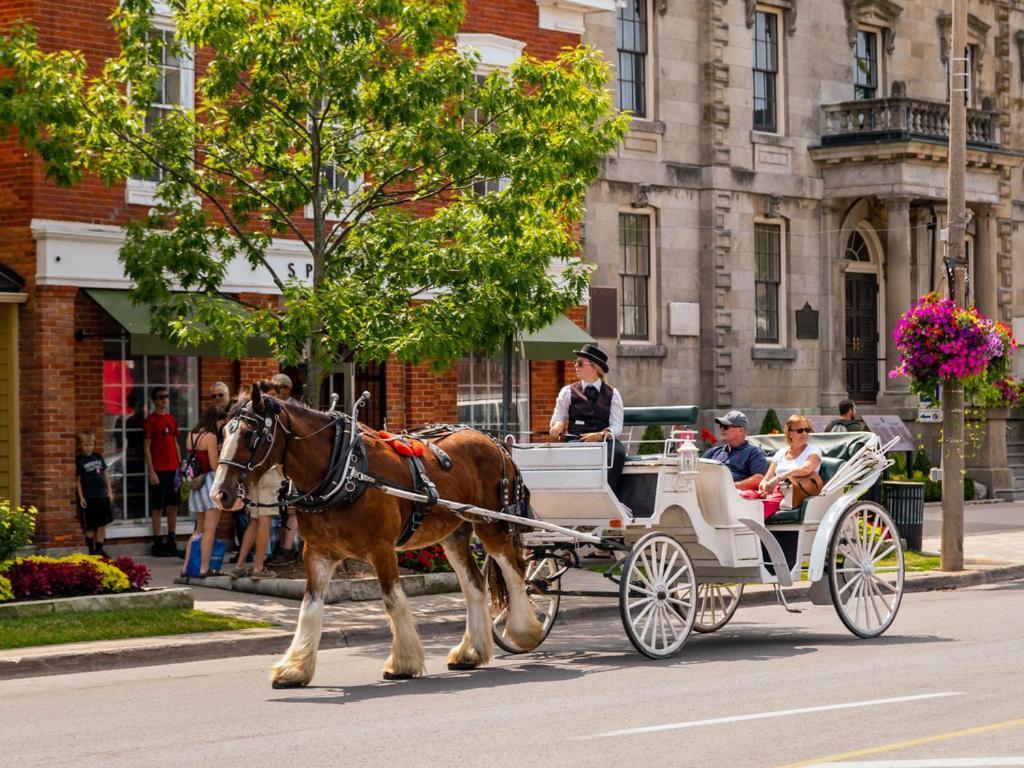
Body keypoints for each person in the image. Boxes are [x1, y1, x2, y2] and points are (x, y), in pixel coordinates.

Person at [549, 344, 627, 495]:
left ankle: (609, 495)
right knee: (570, 453)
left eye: (580, 363)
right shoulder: (567, 392)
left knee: (617, 453)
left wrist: (601, 435)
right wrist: (558, 425)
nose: (575, 366)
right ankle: (574, 494)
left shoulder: (613, 394)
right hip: (576, 439)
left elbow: (617, 426)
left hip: (604, 440)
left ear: (595, 367)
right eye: (575, 362)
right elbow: (559, 416)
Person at [182, 406, 226, 578]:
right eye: (221, 422)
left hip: (195, 485)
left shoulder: (190, 435)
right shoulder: (210, 436)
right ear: (216, 420)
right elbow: (214, 466)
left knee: (198, 529)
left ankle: (186, 566)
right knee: (210, 530)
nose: (222, 426)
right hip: (210, 483)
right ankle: (203, 568)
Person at [757, 414, 823, 519]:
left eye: (807, 430)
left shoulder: (814, 451)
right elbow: (767, 478)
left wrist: (779, 477)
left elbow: (805, 470)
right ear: (789, 433)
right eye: (800, 430)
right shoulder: (781, 452)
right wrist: (764, 486)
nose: (805, 433)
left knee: (757, 510)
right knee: (745, 497)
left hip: (794, 492)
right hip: (774, 491)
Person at [143, 387, 180, 556]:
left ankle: (171, 539)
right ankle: (157, 542)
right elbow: (146, 447)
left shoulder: (171, 419)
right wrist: (151, 470)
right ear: (154, 400)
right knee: (158, 507)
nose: (165, 399)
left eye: (167, 396)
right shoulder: (150, 421)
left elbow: (175, 443)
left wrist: (180, 466)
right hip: (159, 469)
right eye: (161, 397)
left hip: (174, 469)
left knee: (173, 505)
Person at [231, 464, 285, 580]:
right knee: (264, 520)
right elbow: (278, 459)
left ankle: (239, 567)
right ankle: (258, 568)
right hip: (269, 474)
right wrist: (283, 477)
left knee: (254, 522)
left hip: (254, 477)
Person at [702, 410, 768, 491]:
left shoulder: (753, 452)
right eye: (721, 426)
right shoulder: (713, 452)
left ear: (740, 430)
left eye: (726, 426)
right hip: (707, 492)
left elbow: (759, 479)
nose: (722, 429)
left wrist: (730, 487)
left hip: (733, 498)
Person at [75, 431, 113, 558]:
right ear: (80, 445)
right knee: (90, 525)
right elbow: (78, 480)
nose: (88, 447)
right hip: (89, 496)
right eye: (85, 445)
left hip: (101, 495)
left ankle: (99, 548)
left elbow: (105, 474)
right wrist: (81, 497)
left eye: (91, 444)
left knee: (102, 523)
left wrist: (110, 491)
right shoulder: (79, 460)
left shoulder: (98, 456)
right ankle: (91, 550)